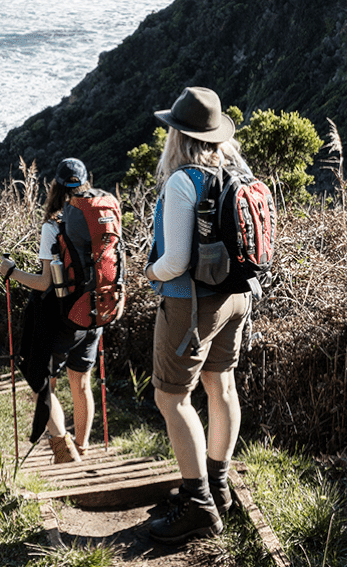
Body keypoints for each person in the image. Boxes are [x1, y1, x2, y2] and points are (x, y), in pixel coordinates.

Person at [144, 86, 252, 544]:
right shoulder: (239, 173)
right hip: (239, 296)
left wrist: (148, 269)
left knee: (171, 398)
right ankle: (218, 487)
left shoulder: (183, 181)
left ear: (178, 136)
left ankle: (199, 506)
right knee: (220, 384)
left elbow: (175, 260)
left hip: (191, 303)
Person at [0, 157, 102, 463]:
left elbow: (45, 283)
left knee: (40, 381)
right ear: (86, 182)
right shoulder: (99, 217)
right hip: (95, 312)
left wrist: (12, 272)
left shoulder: (53, 225)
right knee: (82, 383)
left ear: (55, 186)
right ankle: (82, 447)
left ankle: (63, 447)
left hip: (62, 316)